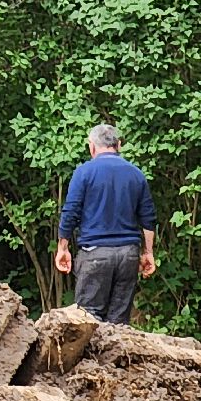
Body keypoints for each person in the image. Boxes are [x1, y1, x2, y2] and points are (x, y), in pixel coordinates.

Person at [54, 123, 157, 325]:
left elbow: (70, 212)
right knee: (118, 323)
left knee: (87, 322)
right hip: (128, 254)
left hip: (95, 254)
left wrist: (62, 248)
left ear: (91, 147)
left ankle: (90, 358)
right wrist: (148, 253)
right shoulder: (136, 174)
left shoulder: (84, 172)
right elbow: (148, 218)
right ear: (118, 145)